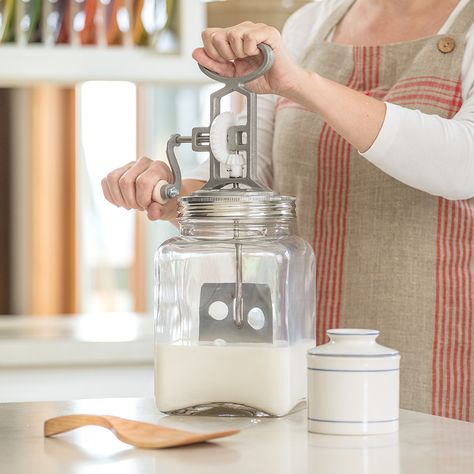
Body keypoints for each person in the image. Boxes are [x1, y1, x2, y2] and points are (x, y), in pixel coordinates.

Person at [102, 0, 474, 421]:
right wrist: (175, 196)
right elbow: (252, 175)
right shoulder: (311, 23)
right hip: (301, 348)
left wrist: (300, 83)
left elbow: (464, 163)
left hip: (434, 341)